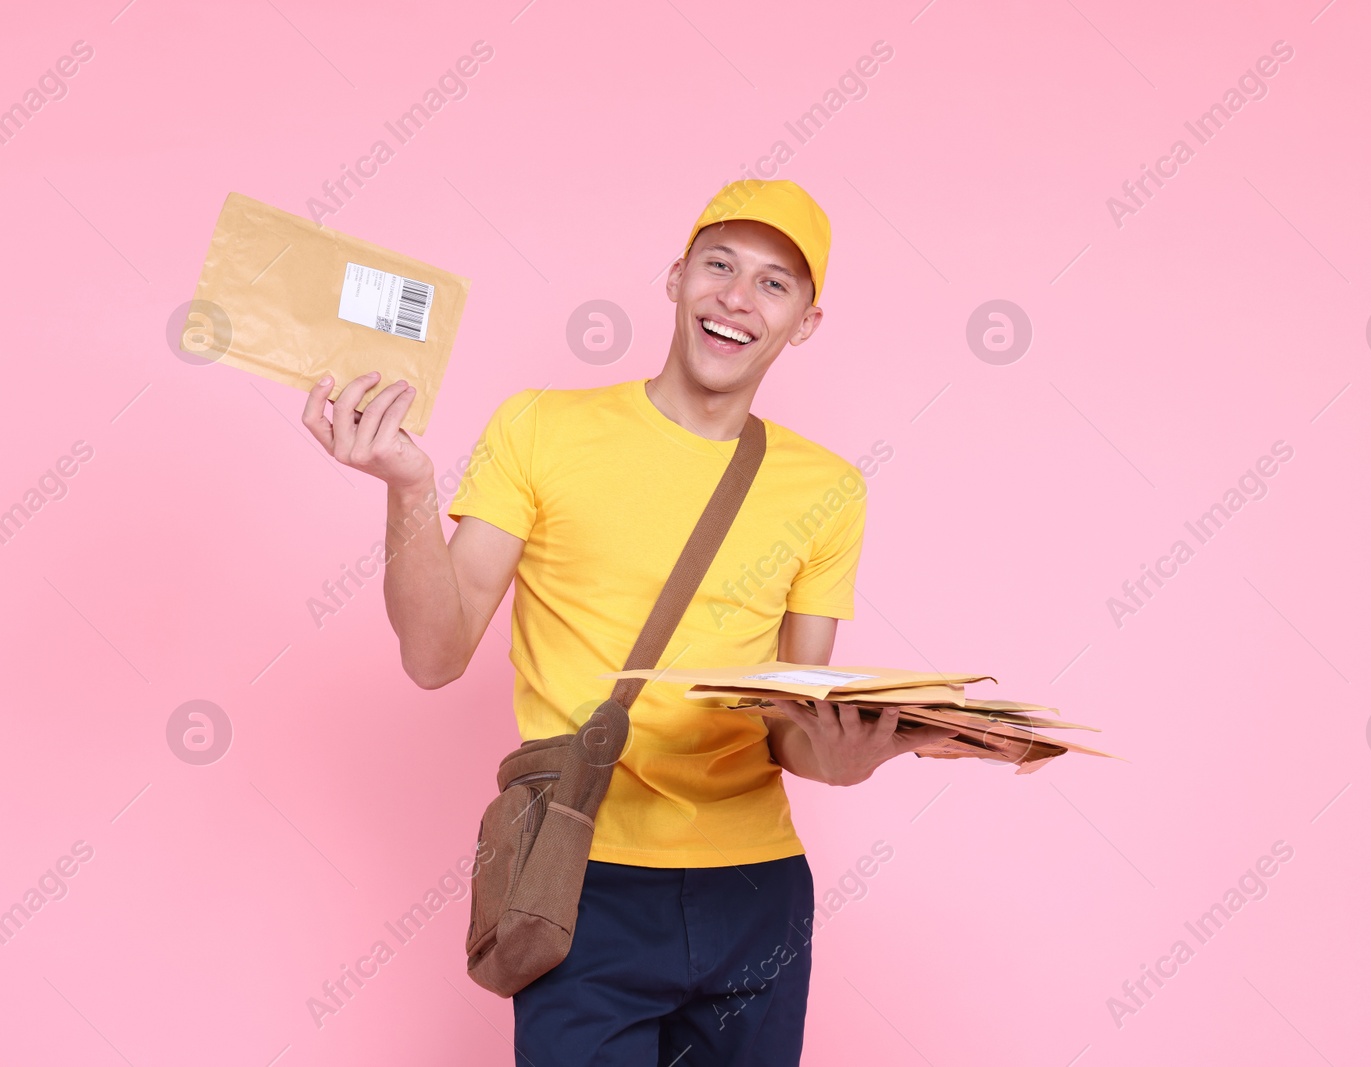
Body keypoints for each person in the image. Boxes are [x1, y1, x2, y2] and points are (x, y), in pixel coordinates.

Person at [302, 178, 954, 1065]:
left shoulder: (829, 487)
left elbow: (794, 727)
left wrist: (844, 761)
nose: (737, 297)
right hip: (579, 882)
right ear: (677, 277)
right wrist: (409, 487)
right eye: (718, 265)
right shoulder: (541, 428)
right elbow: (433, 654)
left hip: (756, 890)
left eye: (774, 283)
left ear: (805, 321)